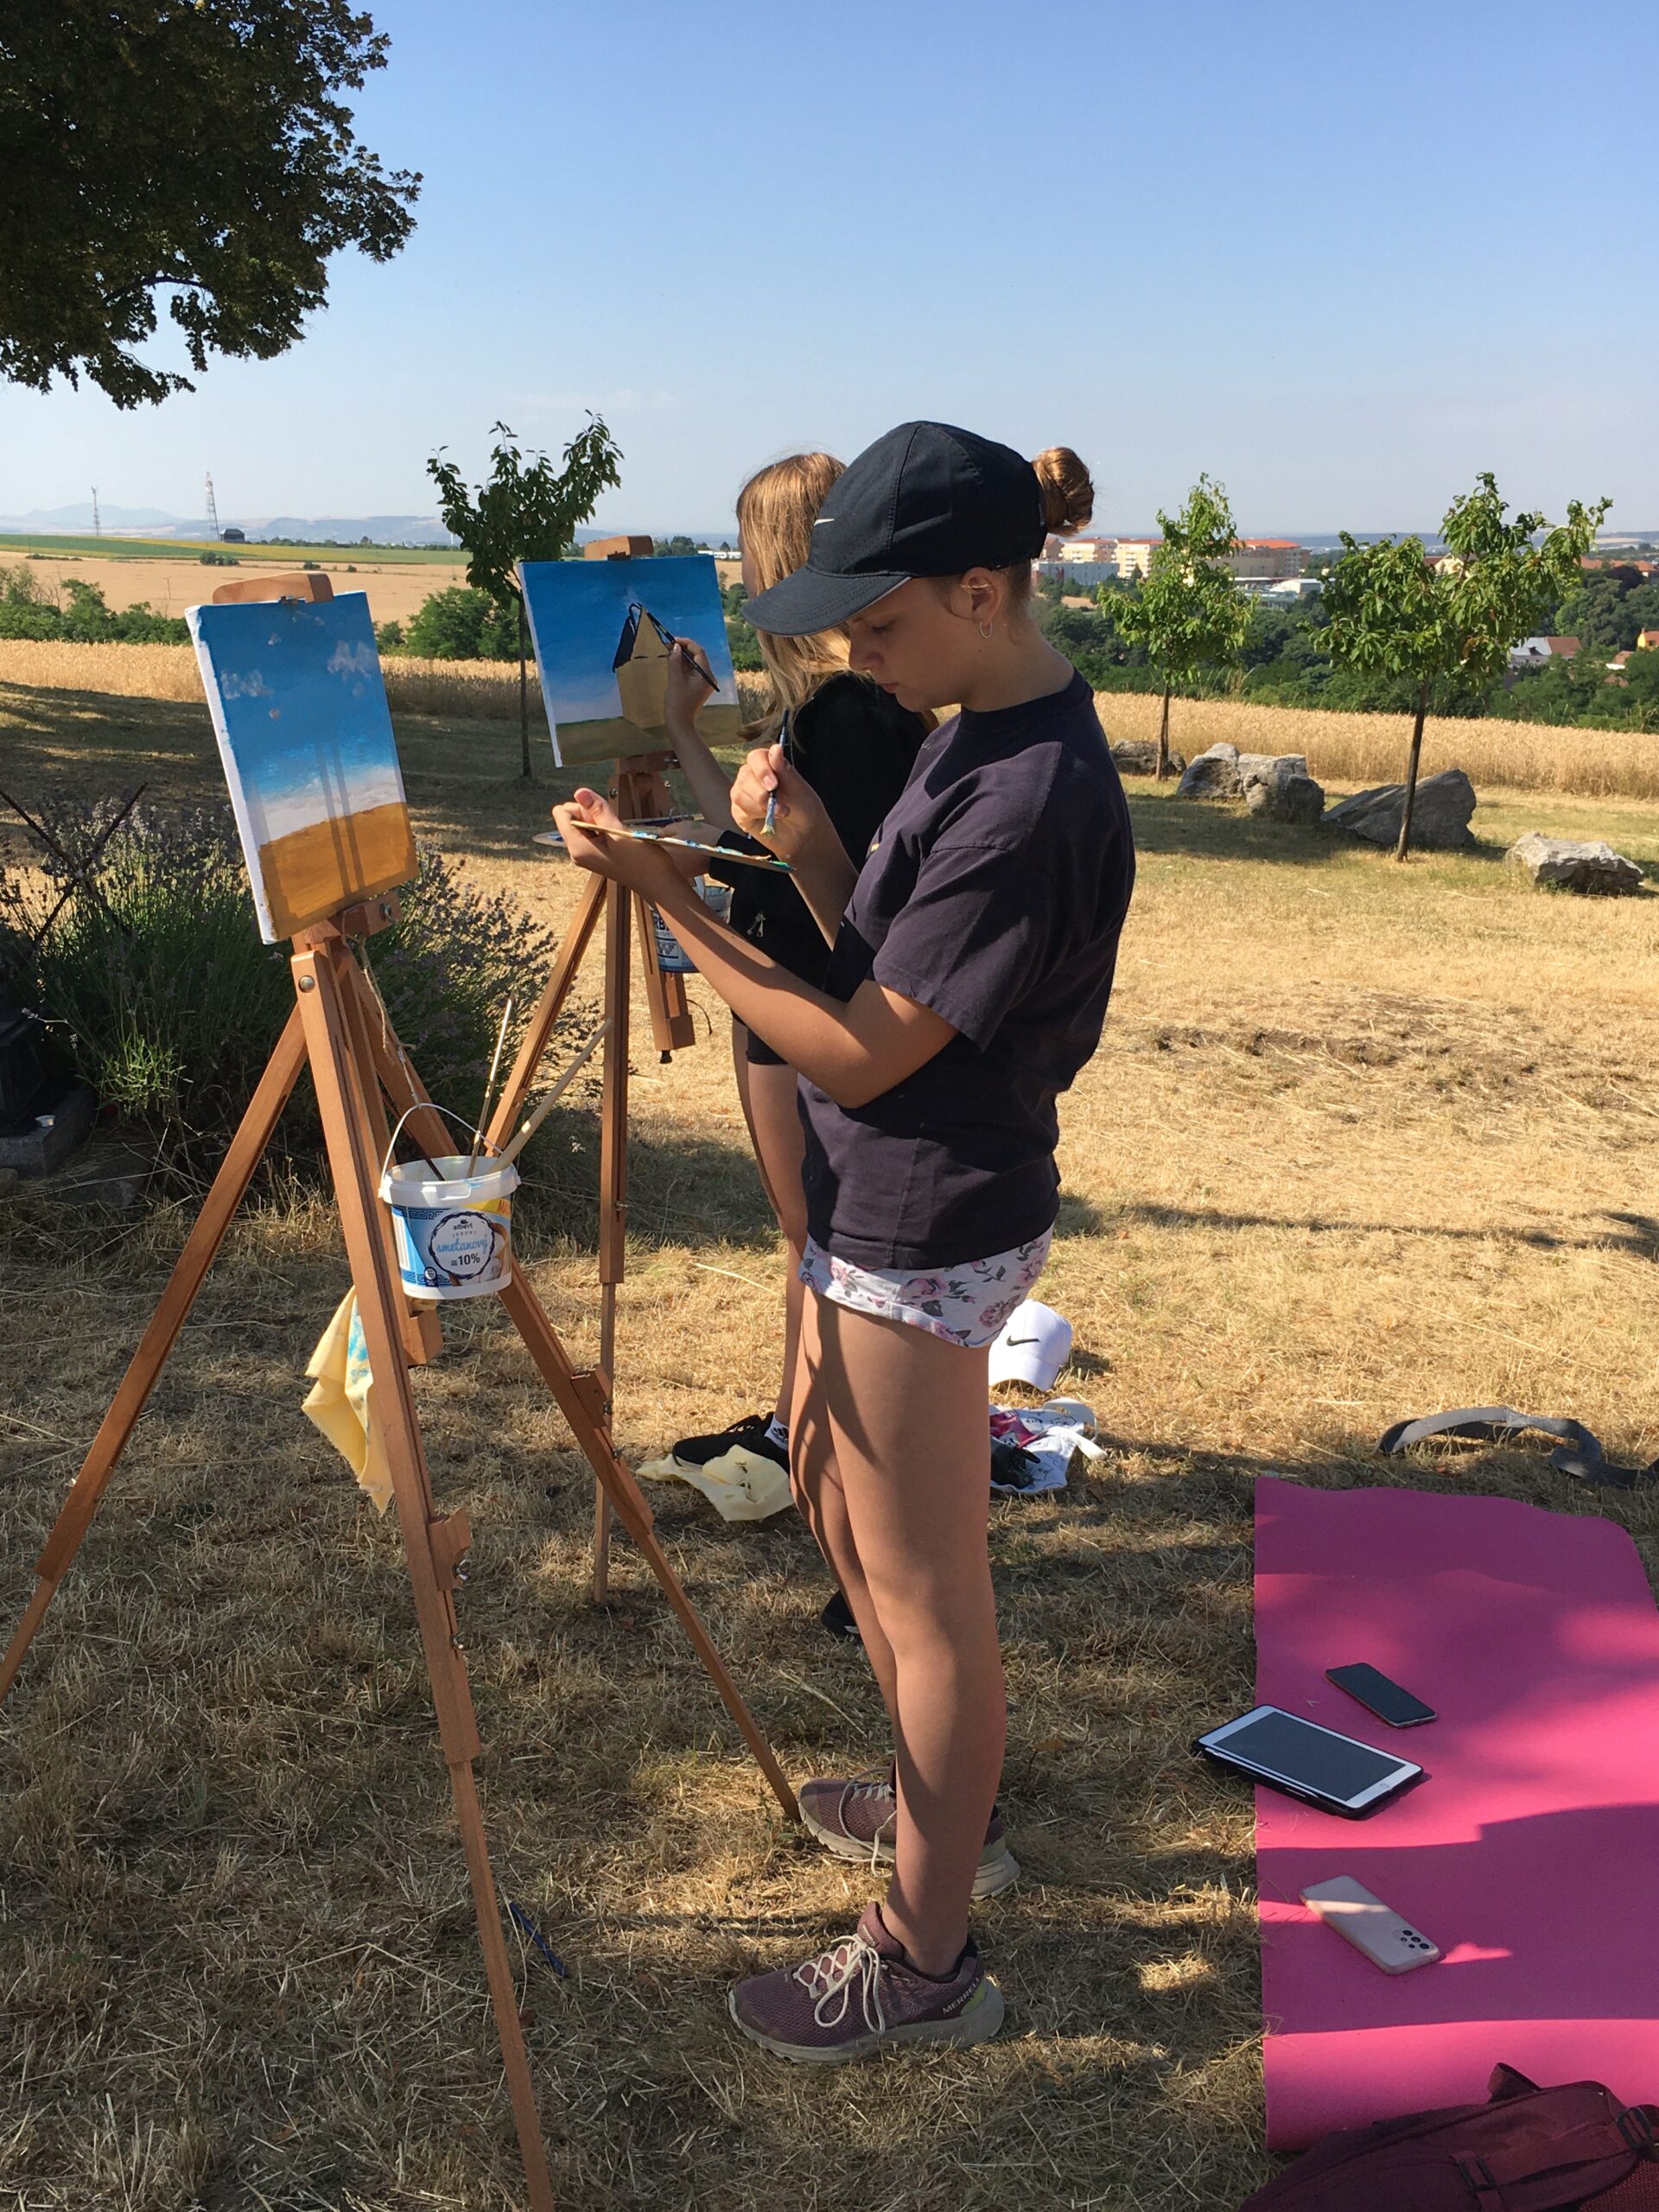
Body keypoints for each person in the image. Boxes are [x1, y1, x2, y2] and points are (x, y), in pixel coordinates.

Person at [553, 421, 1135, 2063]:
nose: (859, 657)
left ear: (981, 590)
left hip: (923, 1211)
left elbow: (866, 1050)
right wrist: (807, 847)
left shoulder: (1025, 793)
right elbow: (880, 955)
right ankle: (926, 1801)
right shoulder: (976, 731)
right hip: (902, 1192)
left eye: (879, 625)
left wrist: (667, 896)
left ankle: (924, 1957)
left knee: (927, 1599)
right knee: (834, 1501)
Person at [662, 454, 928, 1521]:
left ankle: (818, 1451)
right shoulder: (845, 707)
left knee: (815, 1237)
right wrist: (684, 731)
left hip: (810, 1009)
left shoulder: (845, 715)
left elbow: (823, 880)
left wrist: (678, 874)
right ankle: (793, 1429)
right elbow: (750, 842)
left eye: (744, 552)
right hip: (809, 1002)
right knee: (810, 1236)